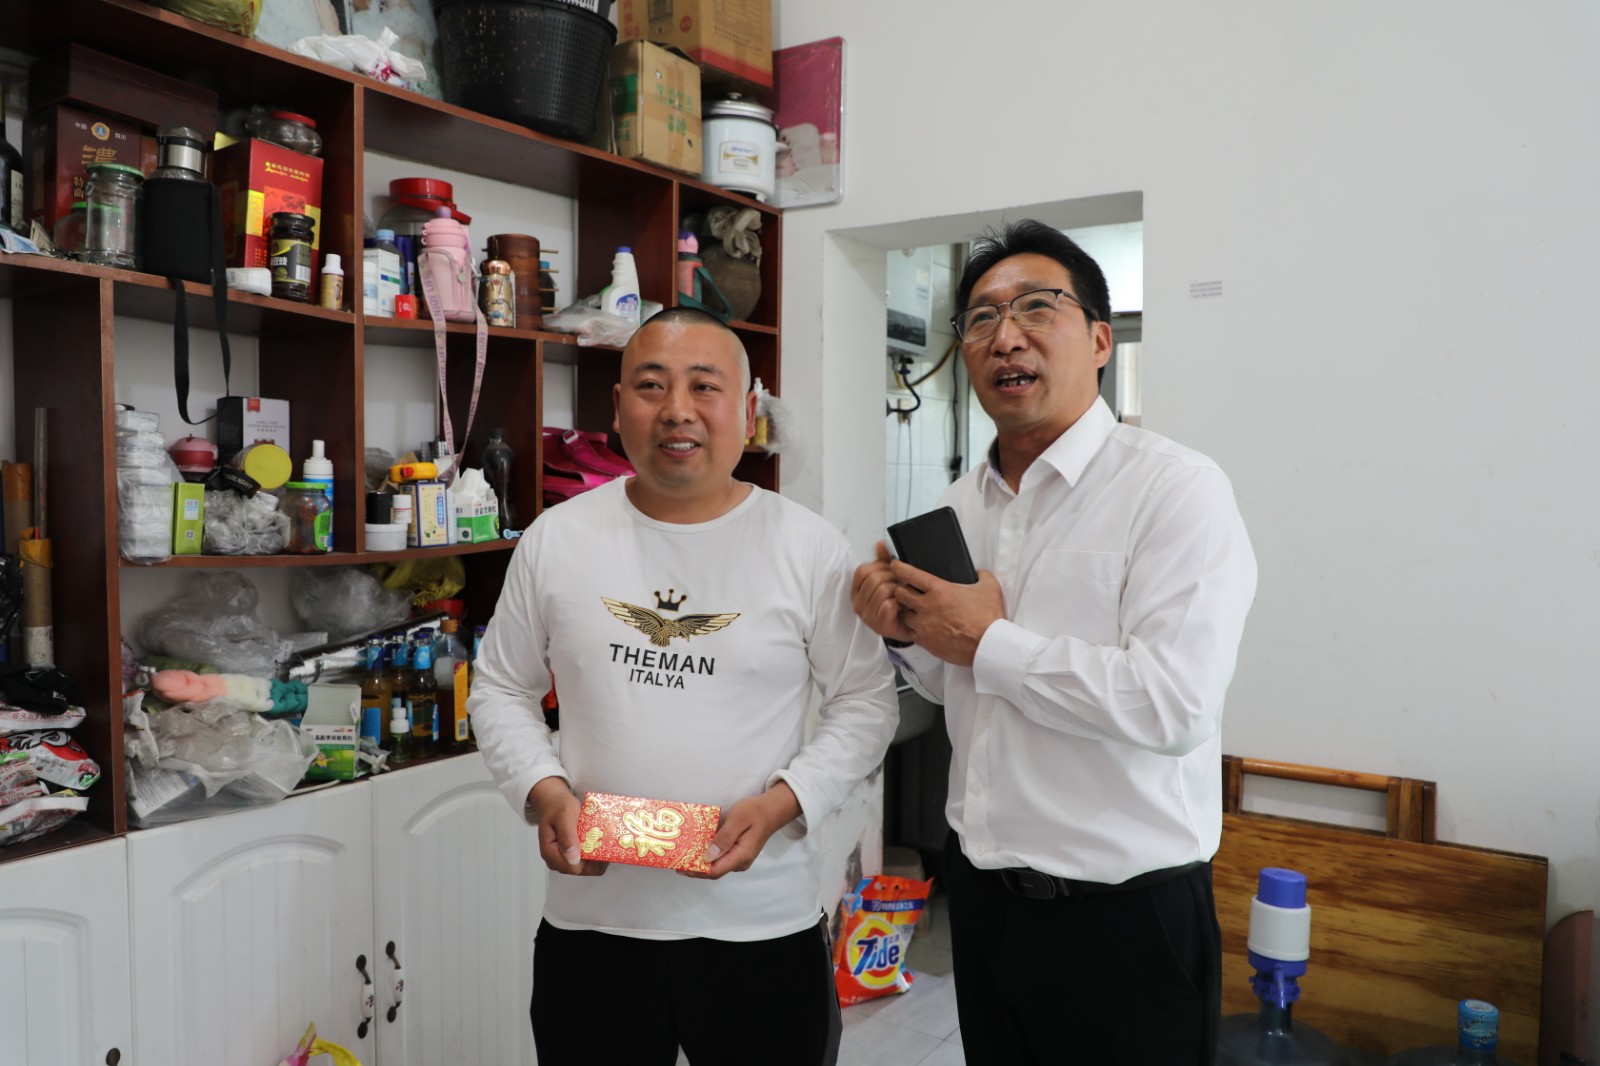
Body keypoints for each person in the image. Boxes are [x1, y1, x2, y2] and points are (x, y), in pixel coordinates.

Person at [852, 220, 1257, 1065]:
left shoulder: (1175, 490)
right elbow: (957, 686)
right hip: (985, 903)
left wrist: (987, 640)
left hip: (1125, 919)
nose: (1006, 336)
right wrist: (908, 636)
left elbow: (1174, 706)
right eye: (981, 318)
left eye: (1037, 307)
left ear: (1101, 341)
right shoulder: (959, 505)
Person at [470, 306, 898, 1066]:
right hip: (594, 924)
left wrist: (786, 801)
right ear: (617, 407)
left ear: (749, 410)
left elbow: (867, 701)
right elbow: (501, 686)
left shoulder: (808, 547)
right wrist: (544, 788)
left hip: (761, 926)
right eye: (651, 385)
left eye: (705, 386)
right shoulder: (557, 539)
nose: (677, 410)